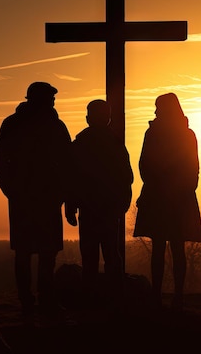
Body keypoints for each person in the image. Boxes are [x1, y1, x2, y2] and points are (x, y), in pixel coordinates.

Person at [0, 81, 72, 316]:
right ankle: (35, 299)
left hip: (36, 198)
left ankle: (34, 299)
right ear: (41, 99)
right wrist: (12, 190)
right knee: (34, 252)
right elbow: (68, 164)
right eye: (51, 98)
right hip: (34, 198)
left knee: (35, 252)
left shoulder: (17, 124)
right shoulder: (53, 126)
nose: (54, 101)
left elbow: (67, 164)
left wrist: (13, 191)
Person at [133, 92, 201, 311]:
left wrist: (160, 186)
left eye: (158, 107)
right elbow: (193, 169)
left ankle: (162, 295)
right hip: (176, 199)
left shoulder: (154, 134)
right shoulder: (185, 134)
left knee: (162, 248)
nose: (155, 111)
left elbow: (145, 165)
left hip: (163, 198)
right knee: (175, 248)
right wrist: (183, 188)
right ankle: (175, 296)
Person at [65, 99, 134, 310]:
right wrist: (123, 203)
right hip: (109, 210)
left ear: (88, 118)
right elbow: (127, 177)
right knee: (111, 255)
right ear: (108, 118)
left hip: (89, 209)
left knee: (90, 257)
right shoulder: (116, 145)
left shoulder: (79, 145)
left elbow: (71, 179)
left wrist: (71, 206)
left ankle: (90, 300)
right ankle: (116, 299)